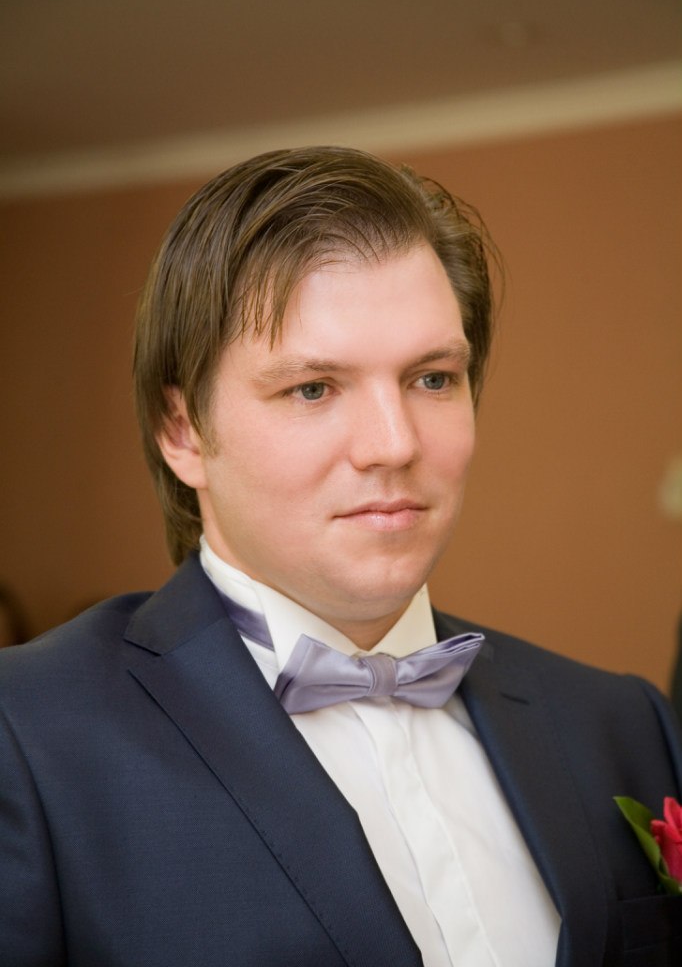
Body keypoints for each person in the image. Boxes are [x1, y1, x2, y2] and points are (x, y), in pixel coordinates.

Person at [0, 147, 680, 967]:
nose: (394, 444)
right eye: (313, 389)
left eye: (432, 379)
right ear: (183, 432)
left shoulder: (625, 725)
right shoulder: (27, 737)